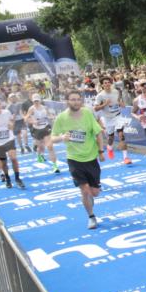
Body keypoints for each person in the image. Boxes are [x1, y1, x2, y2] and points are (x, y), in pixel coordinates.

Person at [52, 90, 104, 228]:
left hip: (91, 157)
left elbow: (98, 132)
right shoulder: (61, 118)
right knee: (85, 190)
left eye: (78, 99)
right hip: (74, 159)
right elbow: (52, 138)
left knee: (95, 193)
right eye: (72, 99)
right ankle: (91, 217)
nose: (75, 102)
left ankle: (92, 194)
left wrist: (101, 151)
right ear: (67, 101)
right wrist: (62, 138)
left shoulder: (87, 113)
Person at [0, 98, 24, 189]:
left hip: (9, 139)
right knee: (4, 162)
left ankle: (17, 178)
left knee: (13, 158)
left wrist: (12, 124)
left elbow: (11, 124)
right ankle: (8, 178)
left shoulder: (6, 112)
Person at [93, 76, 133, 165]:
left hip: (118, 116)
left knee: (121, 135)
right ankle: (109, 148)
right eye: (105, 83)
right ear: (102, 85)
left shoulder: (116, 92)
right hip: (107, 118)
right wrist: (105, 104)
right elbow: (95, 108)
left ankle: (126, 157)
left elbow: (122, 104)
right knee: (111, 138)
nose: (107, 84)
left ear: (111, 83)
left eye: (108, 82)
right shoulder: (100, 95)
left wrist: (121, 104)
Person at [25, 94, 60, 173]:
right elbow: (26, 119)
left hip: (45, 128)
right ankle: (39, 154)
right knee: (40, 147)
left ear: (40, 100)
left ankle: (55, 166)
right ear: (33, 101)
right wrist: (33, 121)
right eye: (34, 101)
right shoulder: (31, 109)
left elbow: (49, 115)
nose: (36, 102)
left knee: (50, 146)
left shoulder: (44, 108)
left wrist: (52, 117)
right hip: (37, 130)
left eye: (37, 101)